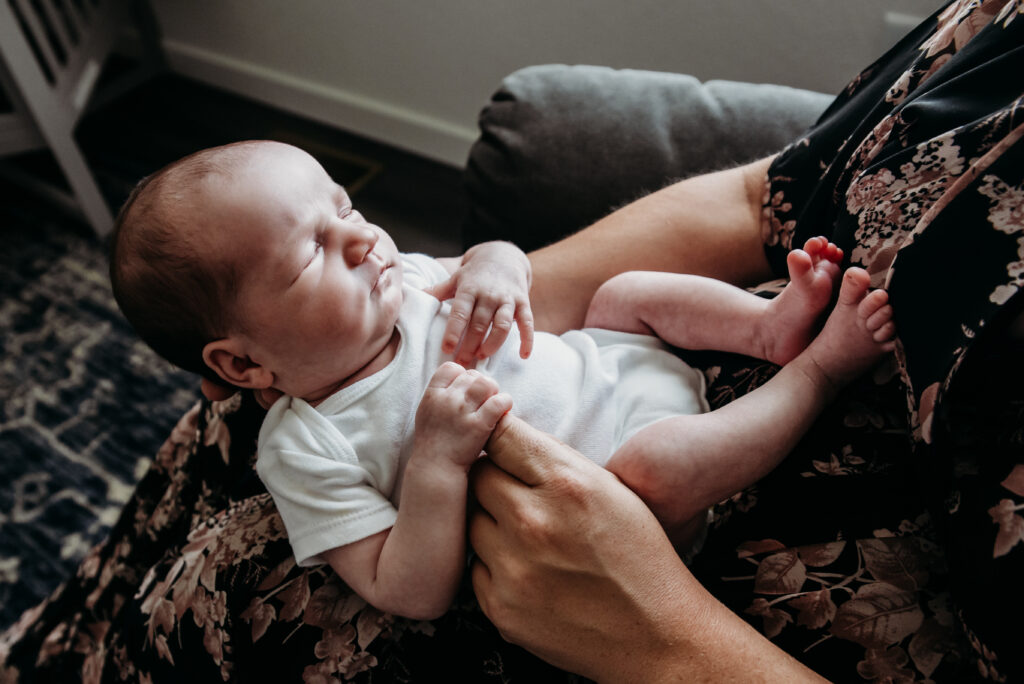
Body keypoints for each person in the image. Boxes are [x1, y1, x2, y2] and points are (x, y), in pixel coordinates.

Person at [110, 139, 894, 620]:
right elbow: (404, 590)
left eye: (344, 206)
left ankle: (767, 329)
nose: (362, 238)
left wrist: (495, 265)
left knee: (619, 294)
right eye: (314, 251)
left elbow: (494, 261)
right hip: (623, 486)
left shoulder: (406, 280)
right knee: (658, 468)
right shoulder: (307, 449)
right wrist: (436, 460)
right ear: (243, 365)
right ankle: (821, 371)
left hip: (614, 360)